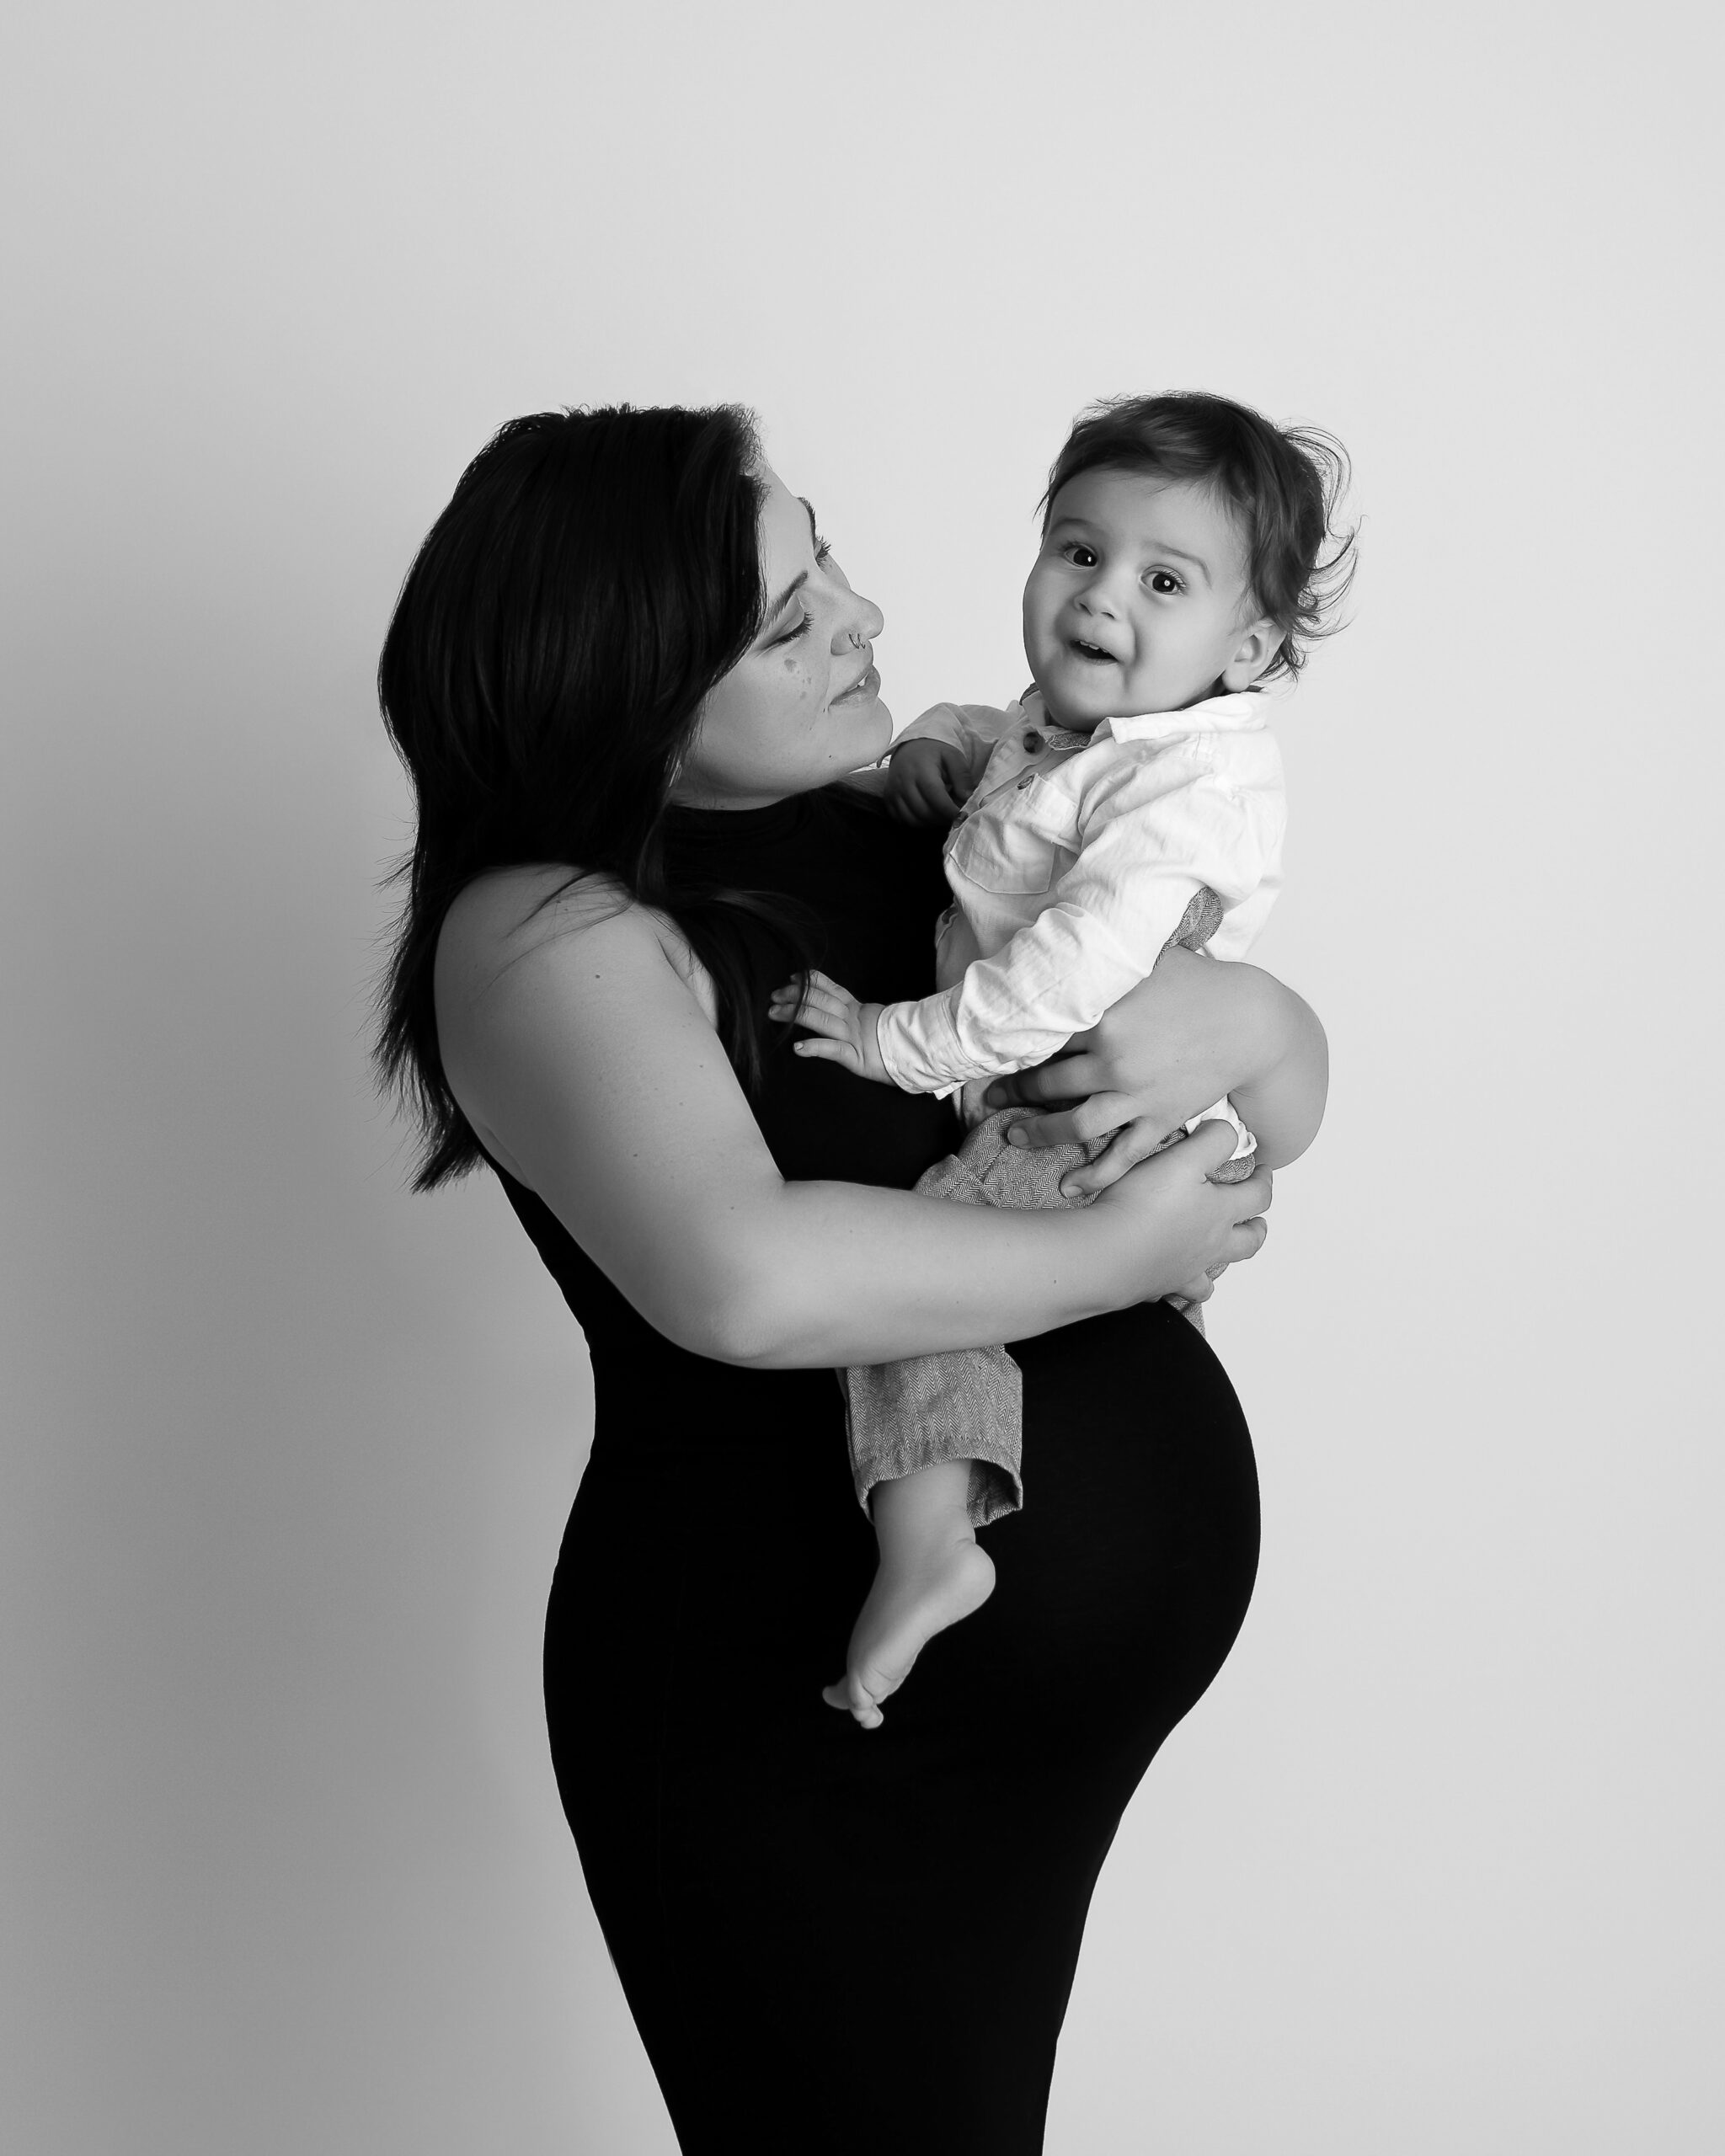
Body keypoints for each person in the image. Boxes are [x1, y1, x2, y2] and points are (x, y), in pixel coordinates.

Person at [376, 403, 1327, 2154]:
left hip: (1006, 1740)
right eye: (789, 617)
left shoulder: (917, 827)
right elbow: (742, 1278)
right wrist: (1116, 1251)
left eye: (824, 555)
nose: (866, 618)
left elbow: (1250, 1114)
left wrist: (1270, 1027)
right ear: (628, 694)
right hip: (789, 1718)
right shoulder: (541, 927)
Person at [772, 392, 1348, 1731]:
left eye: (1162, 580)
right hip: (1078, 1157)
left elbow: (1057, 985)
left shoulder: (1187, 796)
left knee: (938, 1258)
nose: (1102, 598)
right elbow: (1009, 741)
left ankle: (934, 1538)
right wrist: (933, 746)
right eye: (1078, 552)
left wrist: (886, 1040)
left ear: (1247, 642)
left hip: (1076, 1145)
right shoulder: (1101, 734)